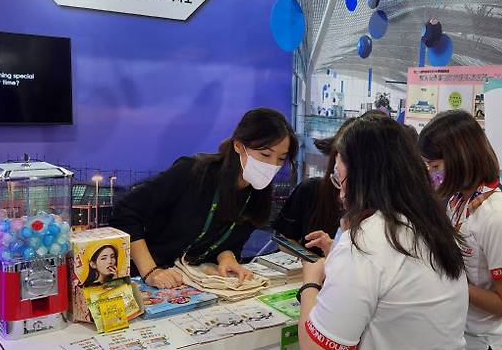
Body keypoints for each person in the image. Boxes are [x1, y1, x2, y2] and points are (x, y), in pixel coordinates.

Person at [298, 114, 468, 350]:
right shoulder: (433, 227)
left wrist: (310, 282)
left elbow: (315, 347)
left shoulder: (365, 243)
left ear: (361, 176)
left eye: (339, 176)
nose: (340, 191)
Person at [109, 108, 298, 289]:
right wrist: (150, 271)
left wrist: (227, 258)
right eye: (265, 154)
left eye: (281, 159)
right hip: (143, 278)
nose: (272, 165)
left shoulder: (258, 193)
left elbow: (228, 241)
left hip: (191, 283)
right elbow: (125, 213)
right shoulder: (193, 171)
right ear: (239, 146)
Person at [419, 110, 502, 350]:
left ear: (461, 158)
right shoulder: (458, 201)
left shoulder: (498, 216)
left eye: (435, 165)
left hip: (483, 341)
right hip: (457, 334)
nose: (431, 173)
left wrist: (449, 283)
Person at [272, 118, 356, 256]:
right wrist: (313, 261)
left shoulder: (378, 214)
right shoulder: (310, 189)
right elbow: (283, 238)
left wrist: (333, 254)